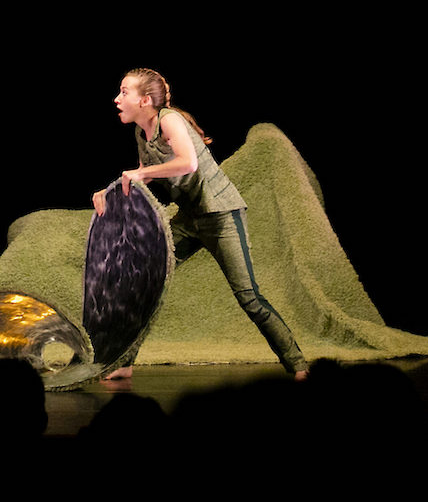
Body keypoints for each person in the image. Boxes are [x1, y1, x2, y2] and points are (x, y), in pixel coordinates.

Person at [92, 68, 308, 382]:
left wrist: (140, 174)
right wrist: (109, 191)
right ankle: (124, 362)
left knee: (249, 297)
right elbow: (142, 176)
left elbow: (188, 163)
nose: (117, 98)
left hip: (221, 214)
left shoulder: (169, 120)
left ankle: (299, 366)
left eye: (124, 92)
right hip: (189, 218)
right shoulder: (141, 132)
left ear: (145, 100)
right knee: (143, 284)